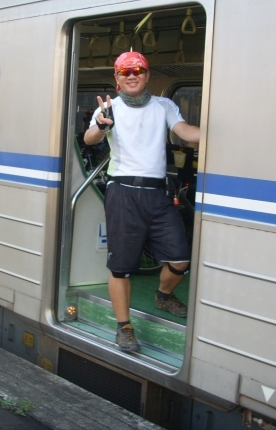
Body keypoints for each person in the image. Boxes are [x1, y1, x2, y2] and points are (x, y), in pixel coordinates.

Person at [83, 51, 200, 352]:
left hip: (157, 194)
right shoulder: (109, 109)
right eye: (125, 72)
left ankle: (163, 295)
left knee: (180, 258)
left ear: (147, 75)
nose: (132, 75)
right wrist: (102, 127)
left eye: (138, 70)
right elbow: (90, 138)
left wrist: (220, 133)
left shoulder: (164, 105)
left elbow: (185, 132)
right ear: (117, 79)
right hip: (122, 192)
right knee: (120, 268)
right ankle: (124, 327)